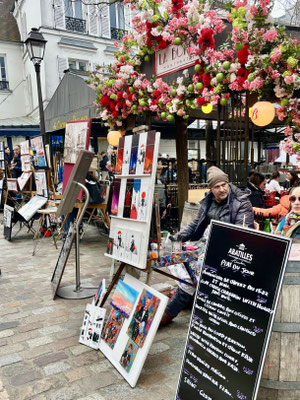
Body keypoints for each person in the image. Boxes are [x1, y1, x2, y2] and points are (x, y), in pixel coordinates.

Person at [160, 166, 254, 326]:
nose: (222, 189)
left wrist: (215, 249)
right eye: (217, 187)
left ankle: (169, 312)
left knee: (194, 270)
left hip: (231, 252)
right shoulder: (208, 201)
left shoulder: (241, 203)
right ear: (211, 188)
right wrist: (176, 238)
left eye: (224, 184)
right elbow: (195, 224)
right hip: (208, 246)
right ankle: (180, 303)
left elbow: (242, 235)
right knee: (179, 259)